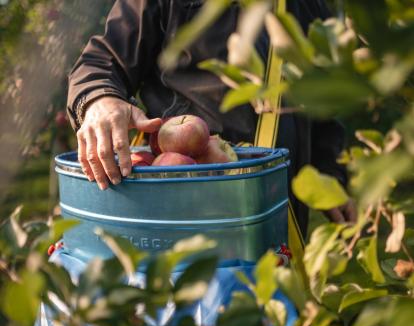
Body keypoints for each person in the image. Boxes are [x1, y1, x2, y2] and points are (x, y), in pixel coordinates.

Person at [67, 0, 356, 236]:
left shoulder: (305, 6)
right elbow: (103, 60)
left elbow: (321, 104)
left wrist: (330, 171)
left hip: (276, 209)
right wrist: (99, 98)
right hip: (183, 202)